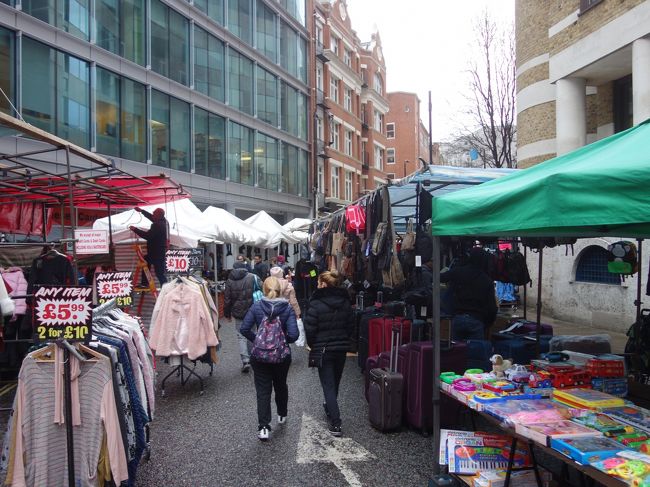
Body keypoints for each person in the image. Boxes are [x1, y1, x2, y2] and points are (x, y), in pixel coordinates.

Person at [240, 276, 299, 441]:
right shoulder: (287, 308)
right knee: (281, 385)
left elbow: (244, 328)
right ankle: (282, 414)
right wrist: (280, 342)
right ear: (280, 290)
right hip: (281, 356)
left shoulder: (257, 306)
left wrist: (259, 340)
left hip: (260, 356)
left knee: (263, 390)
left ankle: (264, 427)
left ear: (264, 290)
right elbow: (294, 335)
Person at [303, 270, 354, 437]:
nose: (317, 285)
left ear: (324, 284)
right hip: (340, 348)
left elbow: (310, 328)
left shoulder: (316, 303)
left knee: (328, 385)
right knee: (335, 382)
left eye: (319, 282)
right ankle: (330, 407)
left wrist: (313, 345)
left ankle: (336, 422)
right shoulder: (345, 302)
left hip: (323, 349)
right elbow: (351, 325)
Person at [440, 247, 497, 341]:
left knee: (457, 351)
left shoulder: (458, 271)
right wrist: (487, 323)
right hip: (476, 320)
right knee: (475, 352)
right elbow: (492, 307)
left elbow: (440, 277)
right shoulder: (486, 280)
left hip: (458, 318)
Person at [224, 262, 258, 373]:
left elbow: (227, 299)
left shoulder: (229, 280)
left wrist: (227, 314)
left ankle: (246, 360)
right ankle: (254, 357)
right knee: (252, 333)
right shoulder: (252, 277)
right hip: (251, 310)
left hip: (238, 312)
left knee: (241, 336)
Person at [129, 207, 169, 286]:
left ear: (158, 215)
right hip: (160, 252)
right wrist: (142, 211)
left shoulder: (157, 225)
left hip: (156, 253)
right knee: (157, 271)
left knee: (159, 273)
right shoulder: (164, 222)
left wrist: (135, 229)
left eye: (154, 214)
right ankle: (147, 283)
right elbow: (152, 217)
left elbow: (147, 236)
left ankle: (147, 283)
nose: (153, 215)